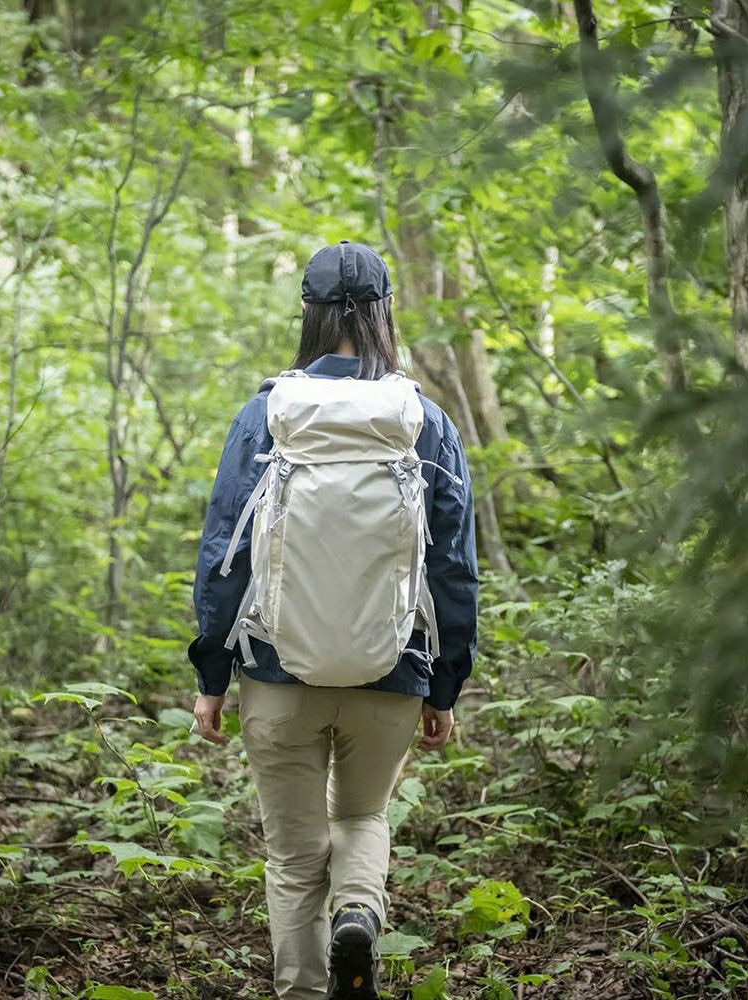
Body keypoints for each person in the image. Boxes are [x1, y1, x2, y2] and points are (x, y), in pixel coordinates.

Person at [188, 241, 479, 1000]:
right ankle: (358, 909)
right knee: (362, 816)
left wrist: (212, 676)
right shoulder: (426, 422)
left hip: (277, 671)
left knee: (292, 856)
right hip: (391, 671)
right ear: (385, 312)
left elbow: (226, 554)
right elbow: (453, 568)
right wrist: (445, 685)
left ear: (310, 315)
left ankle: (306, 991)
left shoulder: (267, 416)